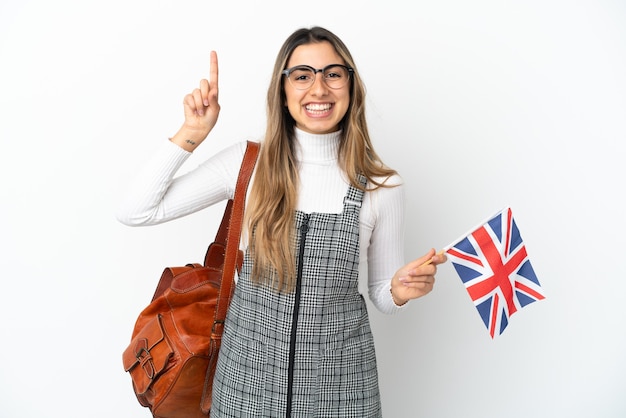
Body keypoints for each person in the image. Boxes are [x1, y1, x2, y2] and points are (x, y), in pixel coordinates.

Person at [117, 26, 447, 418]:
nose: (319, 88)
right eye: (303, 75)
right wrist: (192, 132)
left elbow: (380, 294)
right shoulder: (247, 164)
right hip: (244, 389)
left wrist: (397, 291)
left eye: (333, 74)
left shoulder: (382, 186)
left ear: (351, 86)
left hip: (342, 395)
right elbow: (136, 210)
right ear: (283, 89)